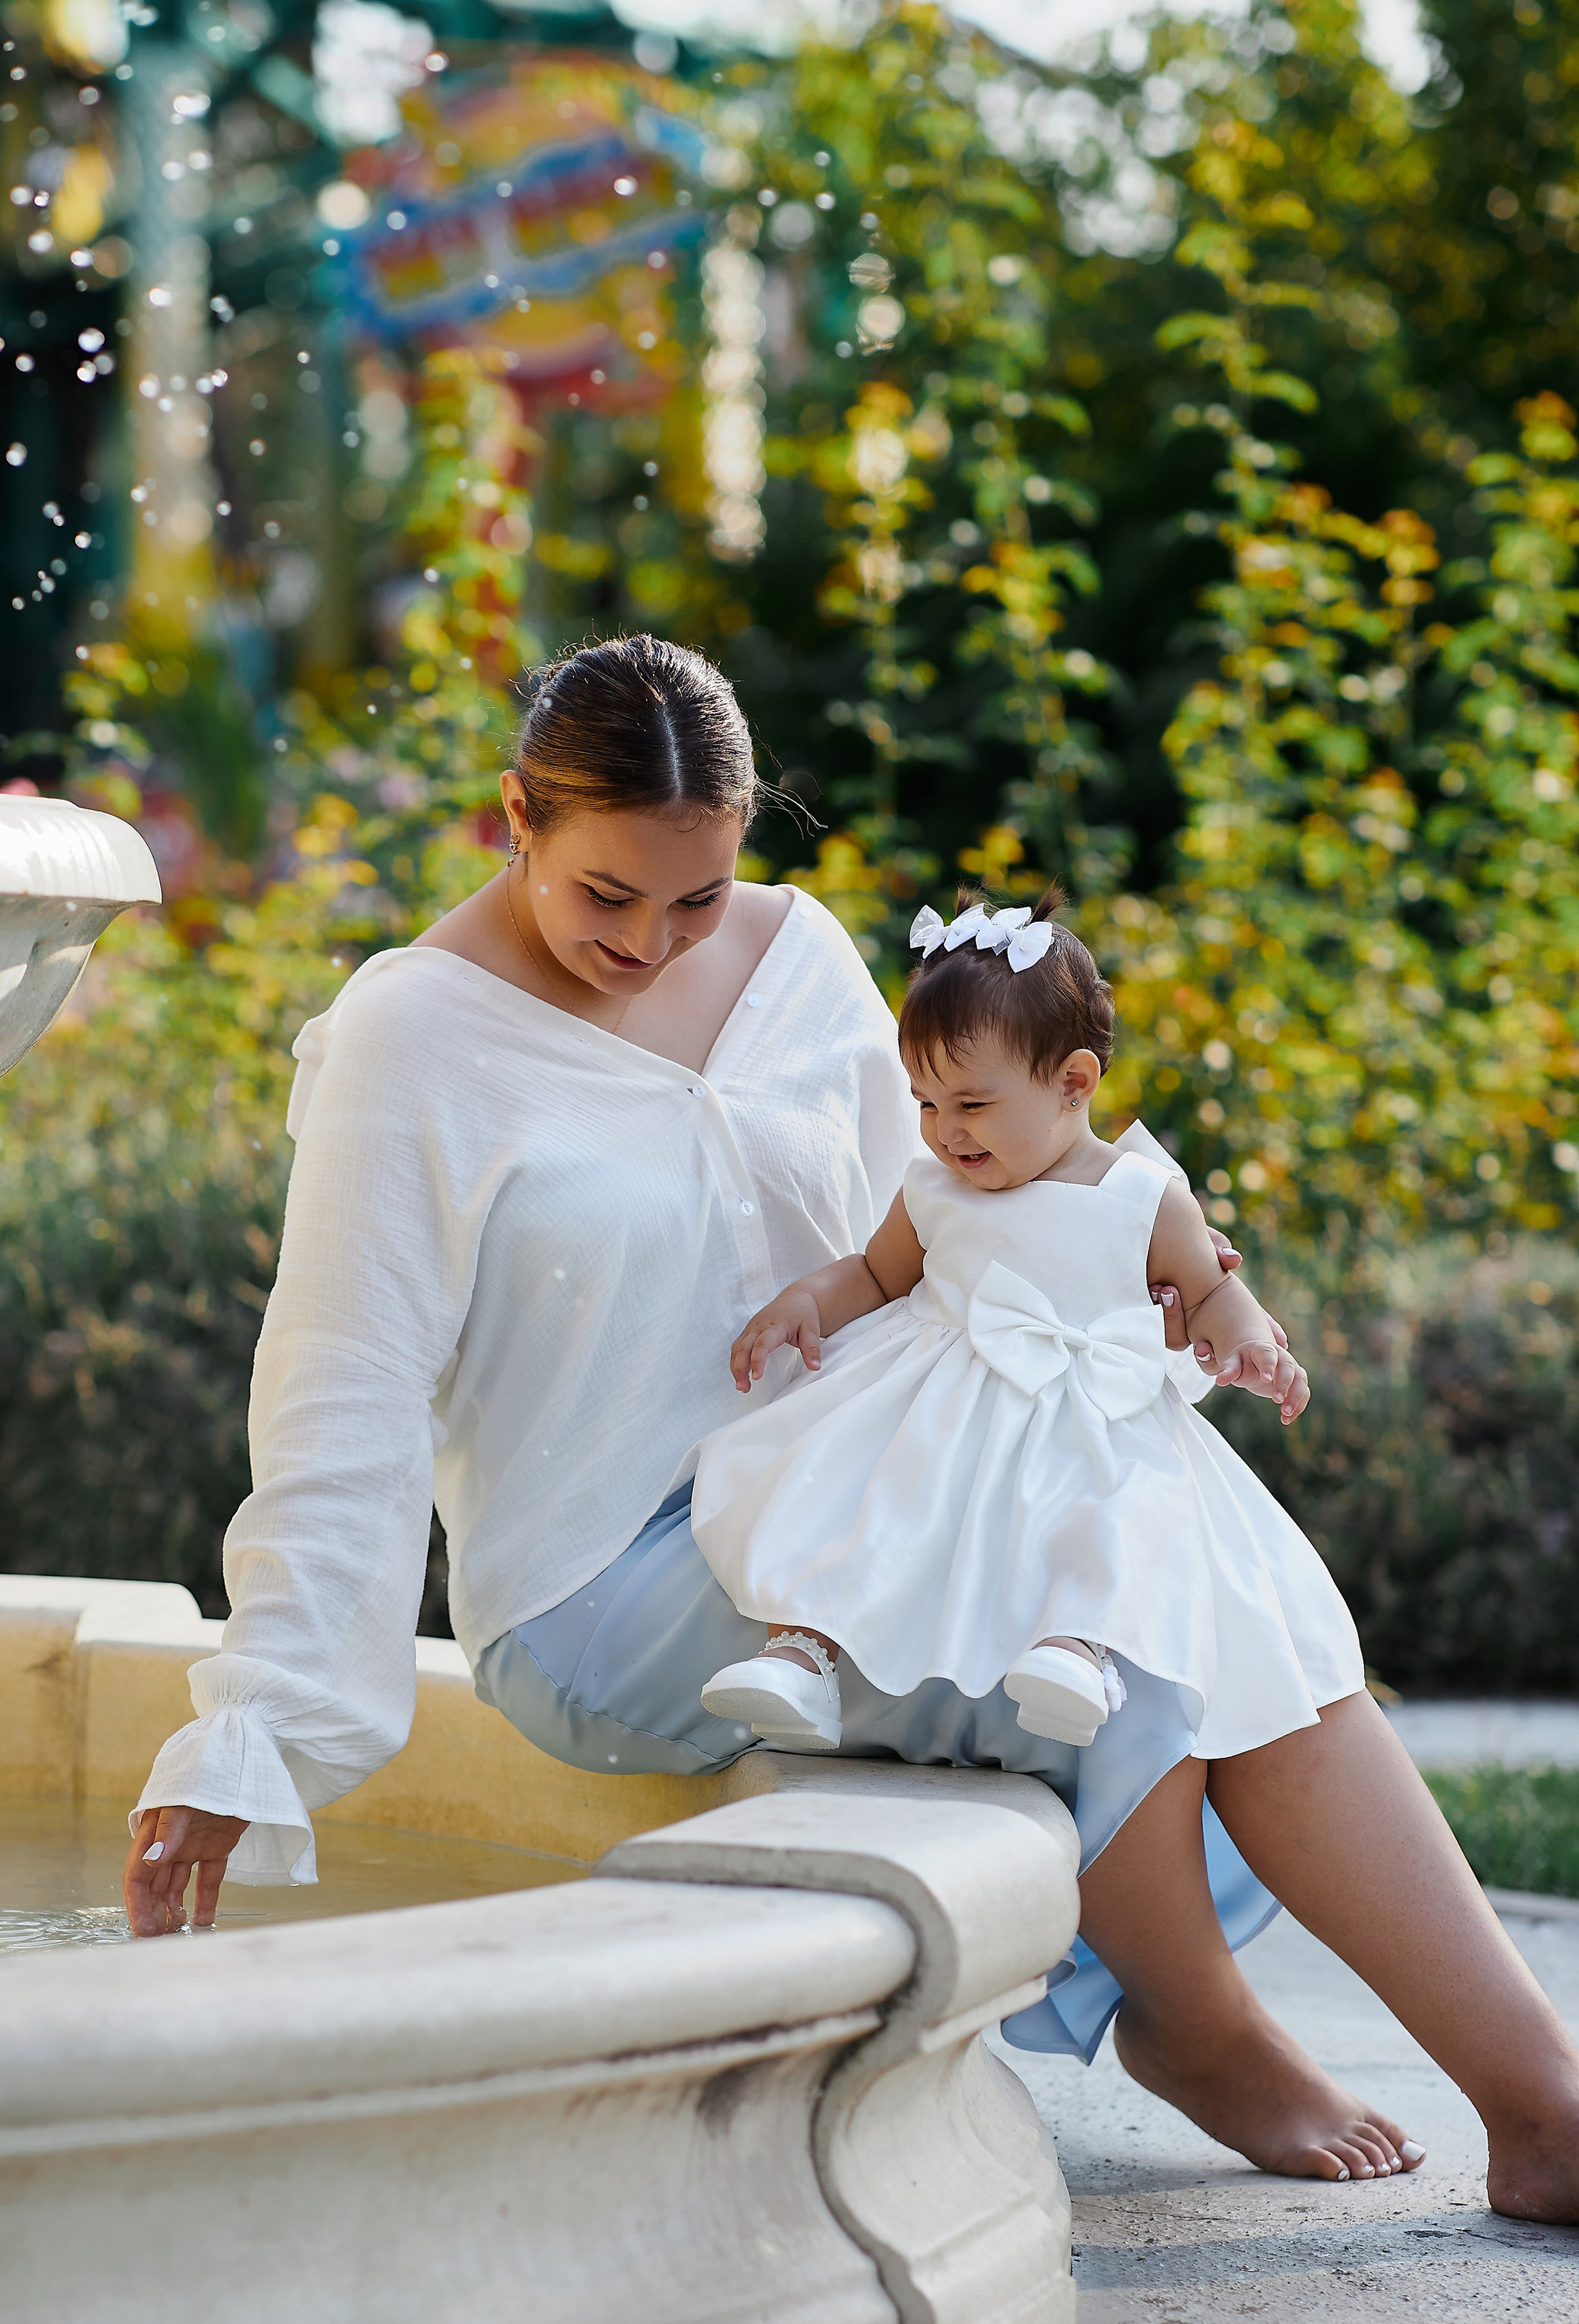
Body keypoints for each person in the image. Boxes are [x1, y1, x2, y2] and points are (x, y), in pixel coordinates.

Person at [124, 631, 1579, 2222]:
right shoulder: (413, 1035)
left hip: (864, 1481)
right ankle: (1200, 2028)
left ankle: (1541, 2105)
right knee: (1127, 1639)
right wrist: (258, 1723)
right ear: (512, 819)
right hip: (606, 1581)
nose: (656, 942)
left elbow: (954, 1223)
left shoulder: (797, 957)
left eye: (695, 898)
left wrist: (1150, 1287)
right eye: (604, 894)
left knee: (1205, 1564)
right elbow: (340, 1390)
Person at [694, 880, 1335, 1759]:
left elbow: (1210, 1292)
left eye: (972, 1104)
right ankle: (804, 1654)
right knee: (865, 1499)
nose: (944, 1132)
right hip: (936, 1397)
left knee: (1108, 1513)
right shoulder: (932, 1189)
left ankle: (1077, 1650)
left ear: (1073, 1083)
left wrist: (1252, 1339)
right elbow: (879, 1275)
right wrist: (806, 1303)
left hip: (1087, 1408)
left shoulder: (1142, 1193)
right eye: (925, 1103)